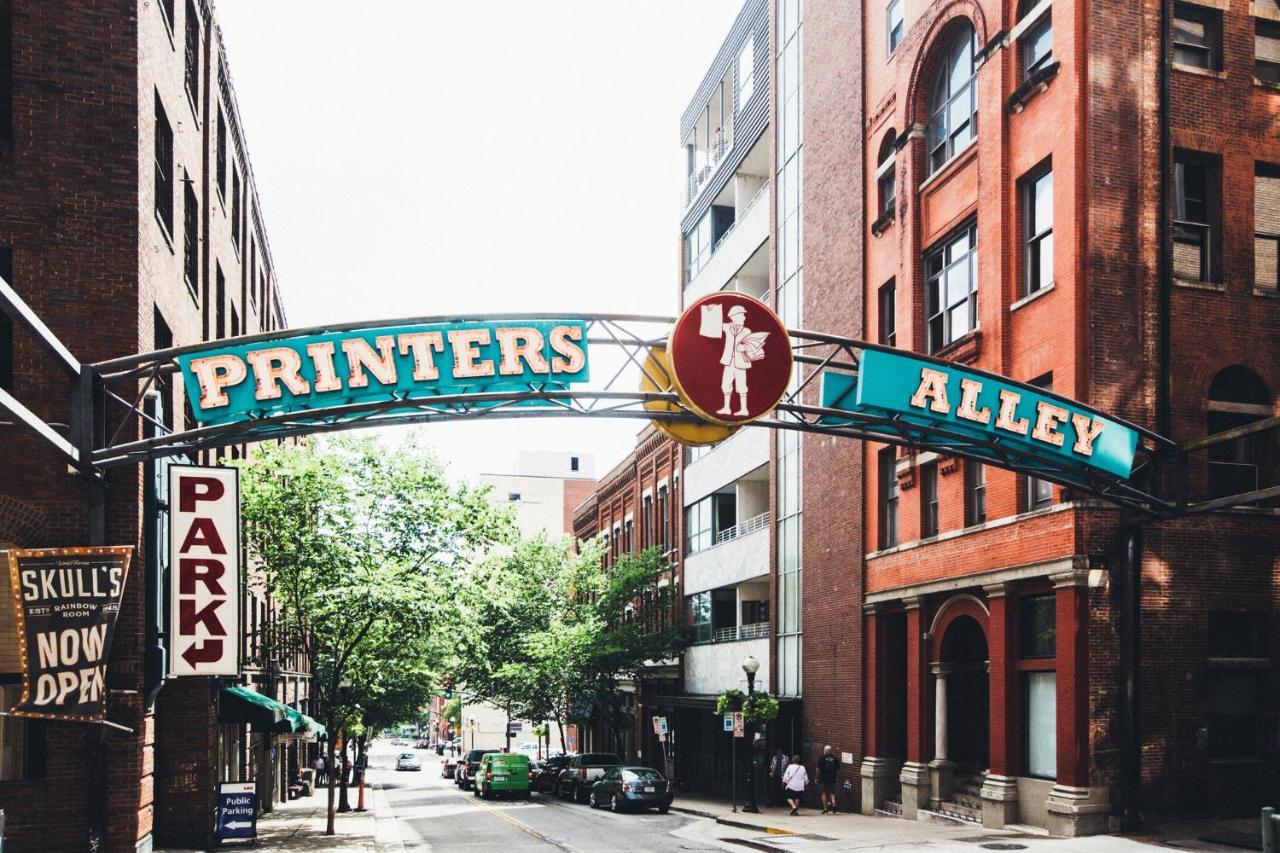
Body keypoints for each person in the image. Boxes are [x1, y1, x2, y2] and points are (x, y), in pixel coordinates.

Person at [817, 745, 840, 814]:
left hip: (823, 778)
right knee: (832, 792)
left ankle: (825, 809)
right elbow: (838, 769)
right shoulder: (835, 758)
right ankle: (833, 804)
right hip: (832, 778)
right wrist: (836, 778)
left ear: (825, 751)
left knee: (823, 793)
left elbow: (817, 769)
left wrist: (817, 777)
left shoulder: (822, 758)